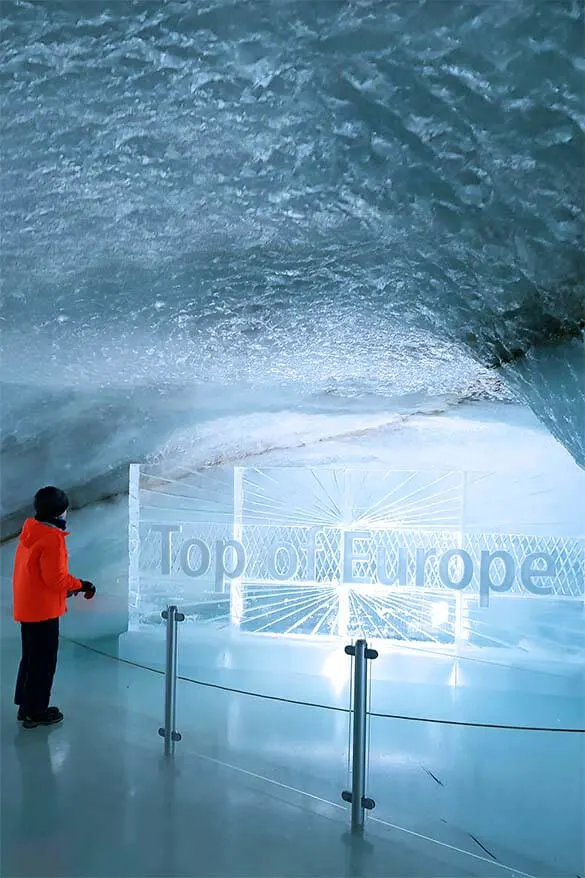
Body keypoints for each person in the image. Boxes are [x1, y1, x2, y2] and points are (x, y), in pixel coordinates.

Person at [13, 486, 96, 729]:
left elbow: (36, 575)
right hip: (43, 611)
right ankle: (36, 712)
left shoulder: (31, 531)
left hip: (28, 606)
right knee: (43, 662)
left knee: (30, 658)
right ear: (60, 512)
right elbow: (56, 579)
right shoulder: (52, 539)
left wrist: (65, 589)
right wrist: (82, 584)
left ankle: (25, 706)